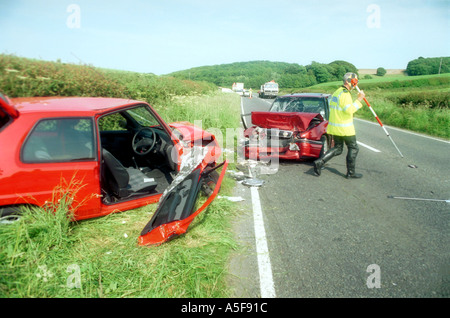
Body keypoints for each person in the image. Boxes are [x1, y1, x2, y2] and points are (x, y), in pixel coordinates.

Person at [314, 72, 365, 178]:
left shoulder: (337, 92)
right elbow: (349, 110)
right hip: (345, 128)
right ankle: (351, 173)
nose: (355, 83)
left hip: (335, 127)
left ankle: (319, 162)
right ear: (347, 81)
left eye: (356, 81)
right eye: (354, 81)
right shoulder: (345, 94)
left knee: (338, 148)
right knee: (354, 148)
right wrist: (359, 100)